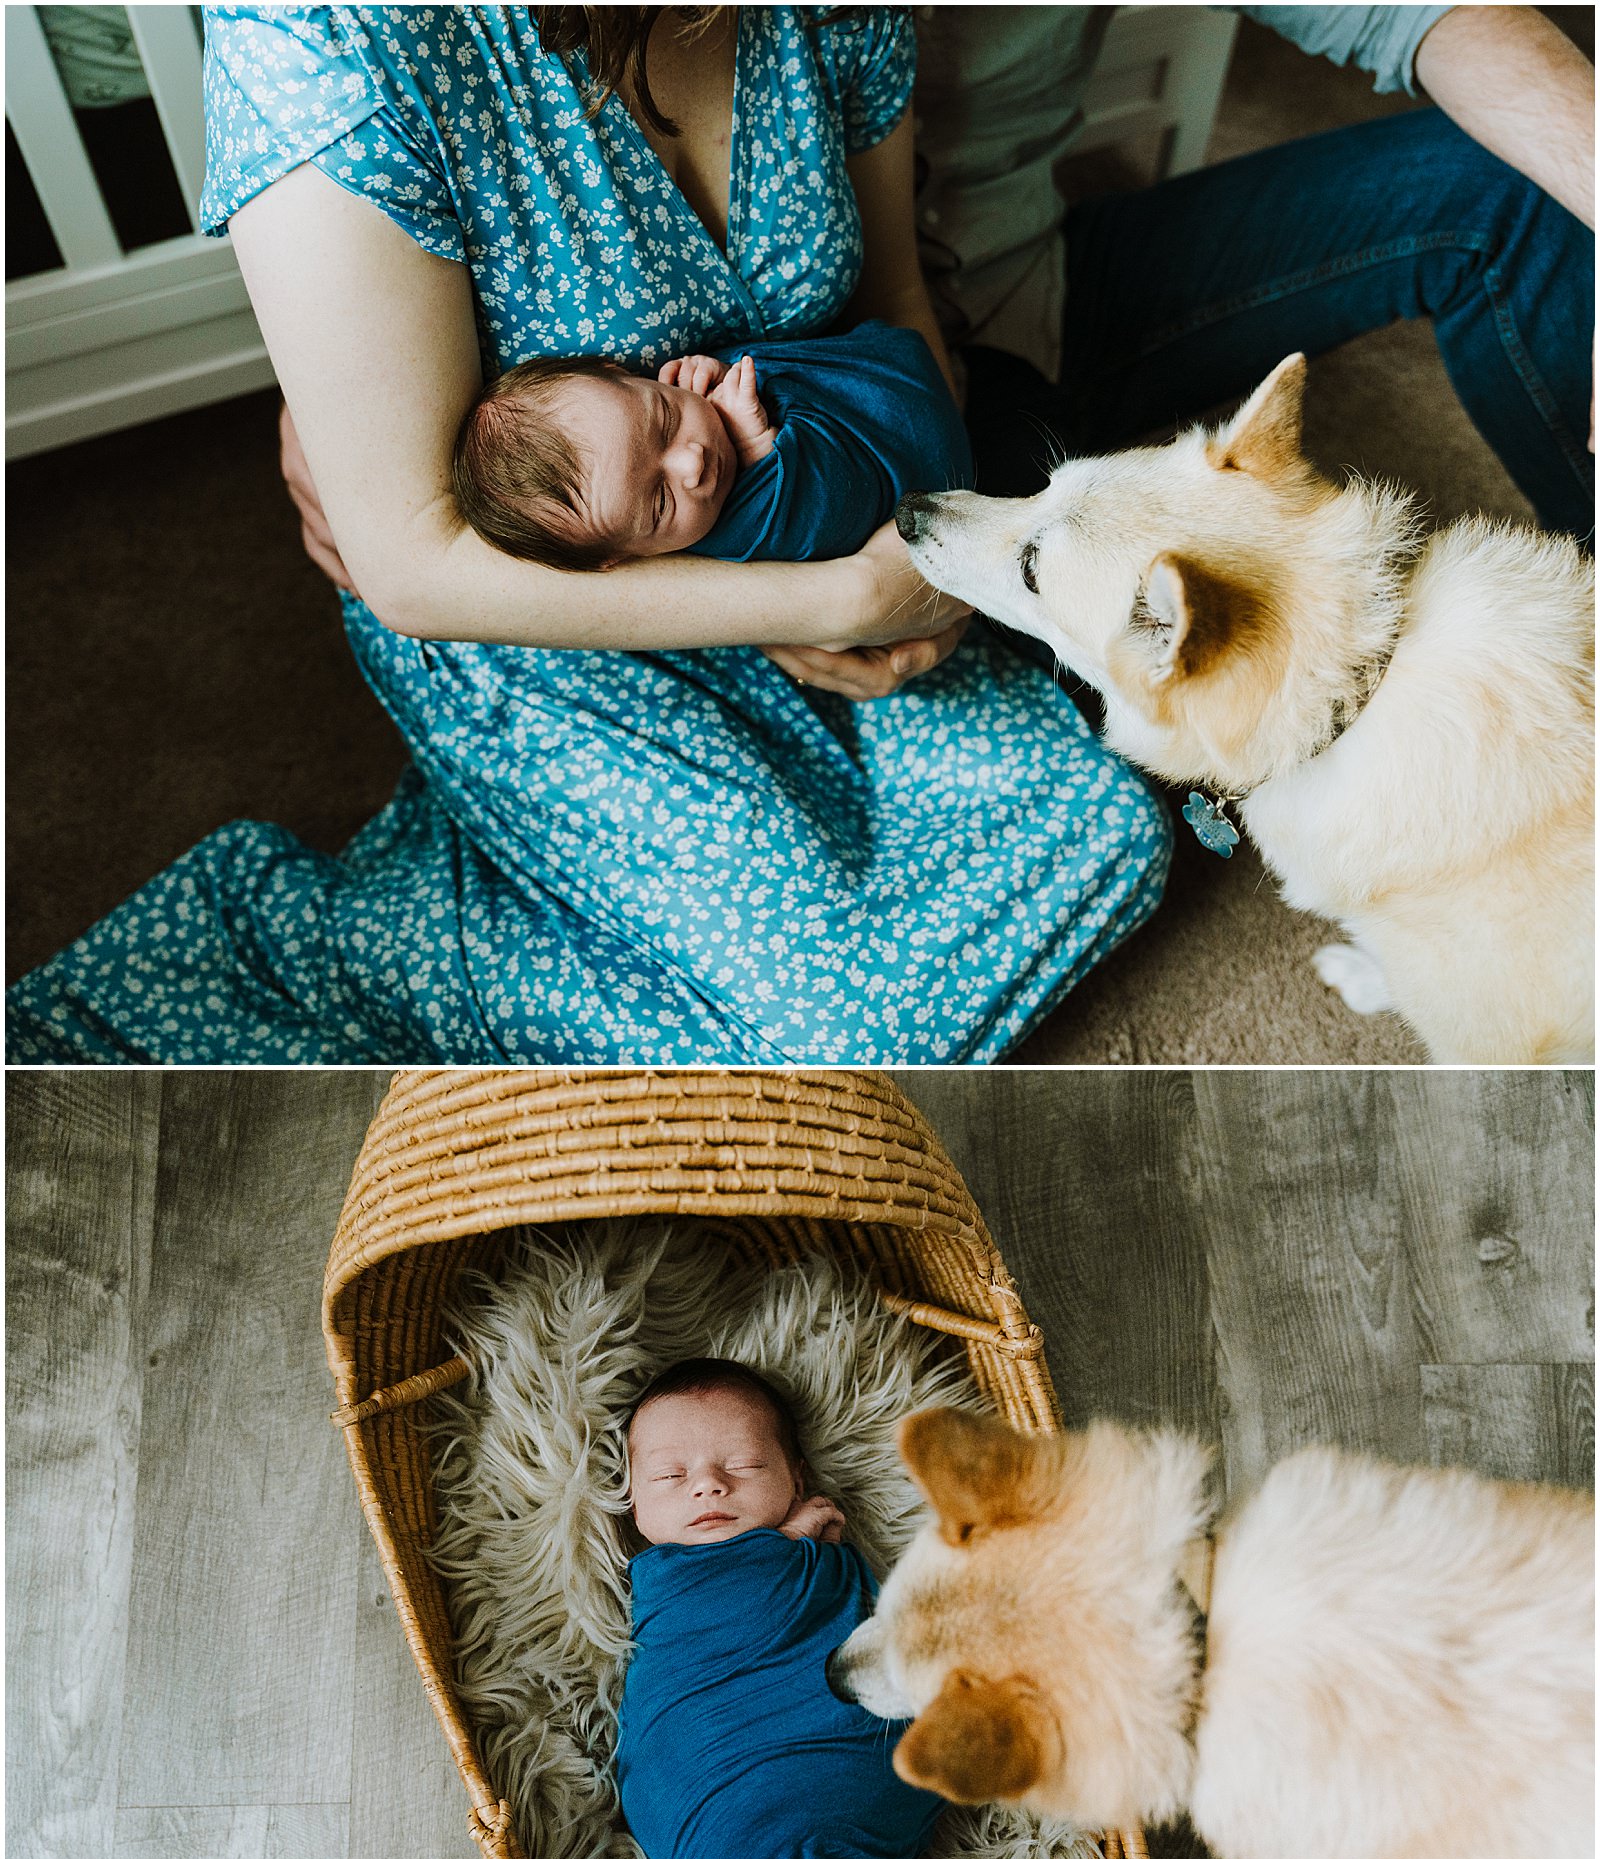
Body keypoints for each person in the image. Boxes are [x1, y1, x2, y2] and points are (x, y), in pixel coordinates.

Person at [5, 5, 1170, 1066]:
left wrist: (923, 537)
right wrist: (831, 604)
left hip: (827, 517)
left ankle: (590, 888)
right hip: (540, 624)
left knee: (1104, 829)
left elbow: (892, 306)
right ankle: (368, 934)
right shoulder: (330, 43)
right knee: (846, 1025)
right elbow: (415, 562)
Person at [908, 6, 1593, 541]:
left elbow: (1416, 11)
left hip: (1036, 278)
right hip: (844, 385)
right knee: (1071, 690)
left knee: (1516, 183)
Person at [615, 1359, 944, 1859]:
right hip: (715, 1823)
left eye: (741, 1465)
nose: (707, 1485)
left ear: (797, 1477)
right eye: (670, 1475)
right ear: (634, 1502)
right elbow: (716, 1610)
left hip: (834, 1786)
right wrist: (788, 1546)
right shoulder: (660, 1582)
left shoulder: (808, 1558)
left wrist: (790, 1551)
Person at [455, 319, 973, 567]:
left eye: (662, 419)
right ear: (621, 557)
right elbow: (829, 510)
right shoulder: (733, 531)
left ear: (623, 373)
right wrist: (762, 452)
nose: (692, 461)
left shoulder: (692, 389)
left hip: (924, 380)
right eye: (660, 501)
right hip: (934, 472)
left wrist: (723, 366)